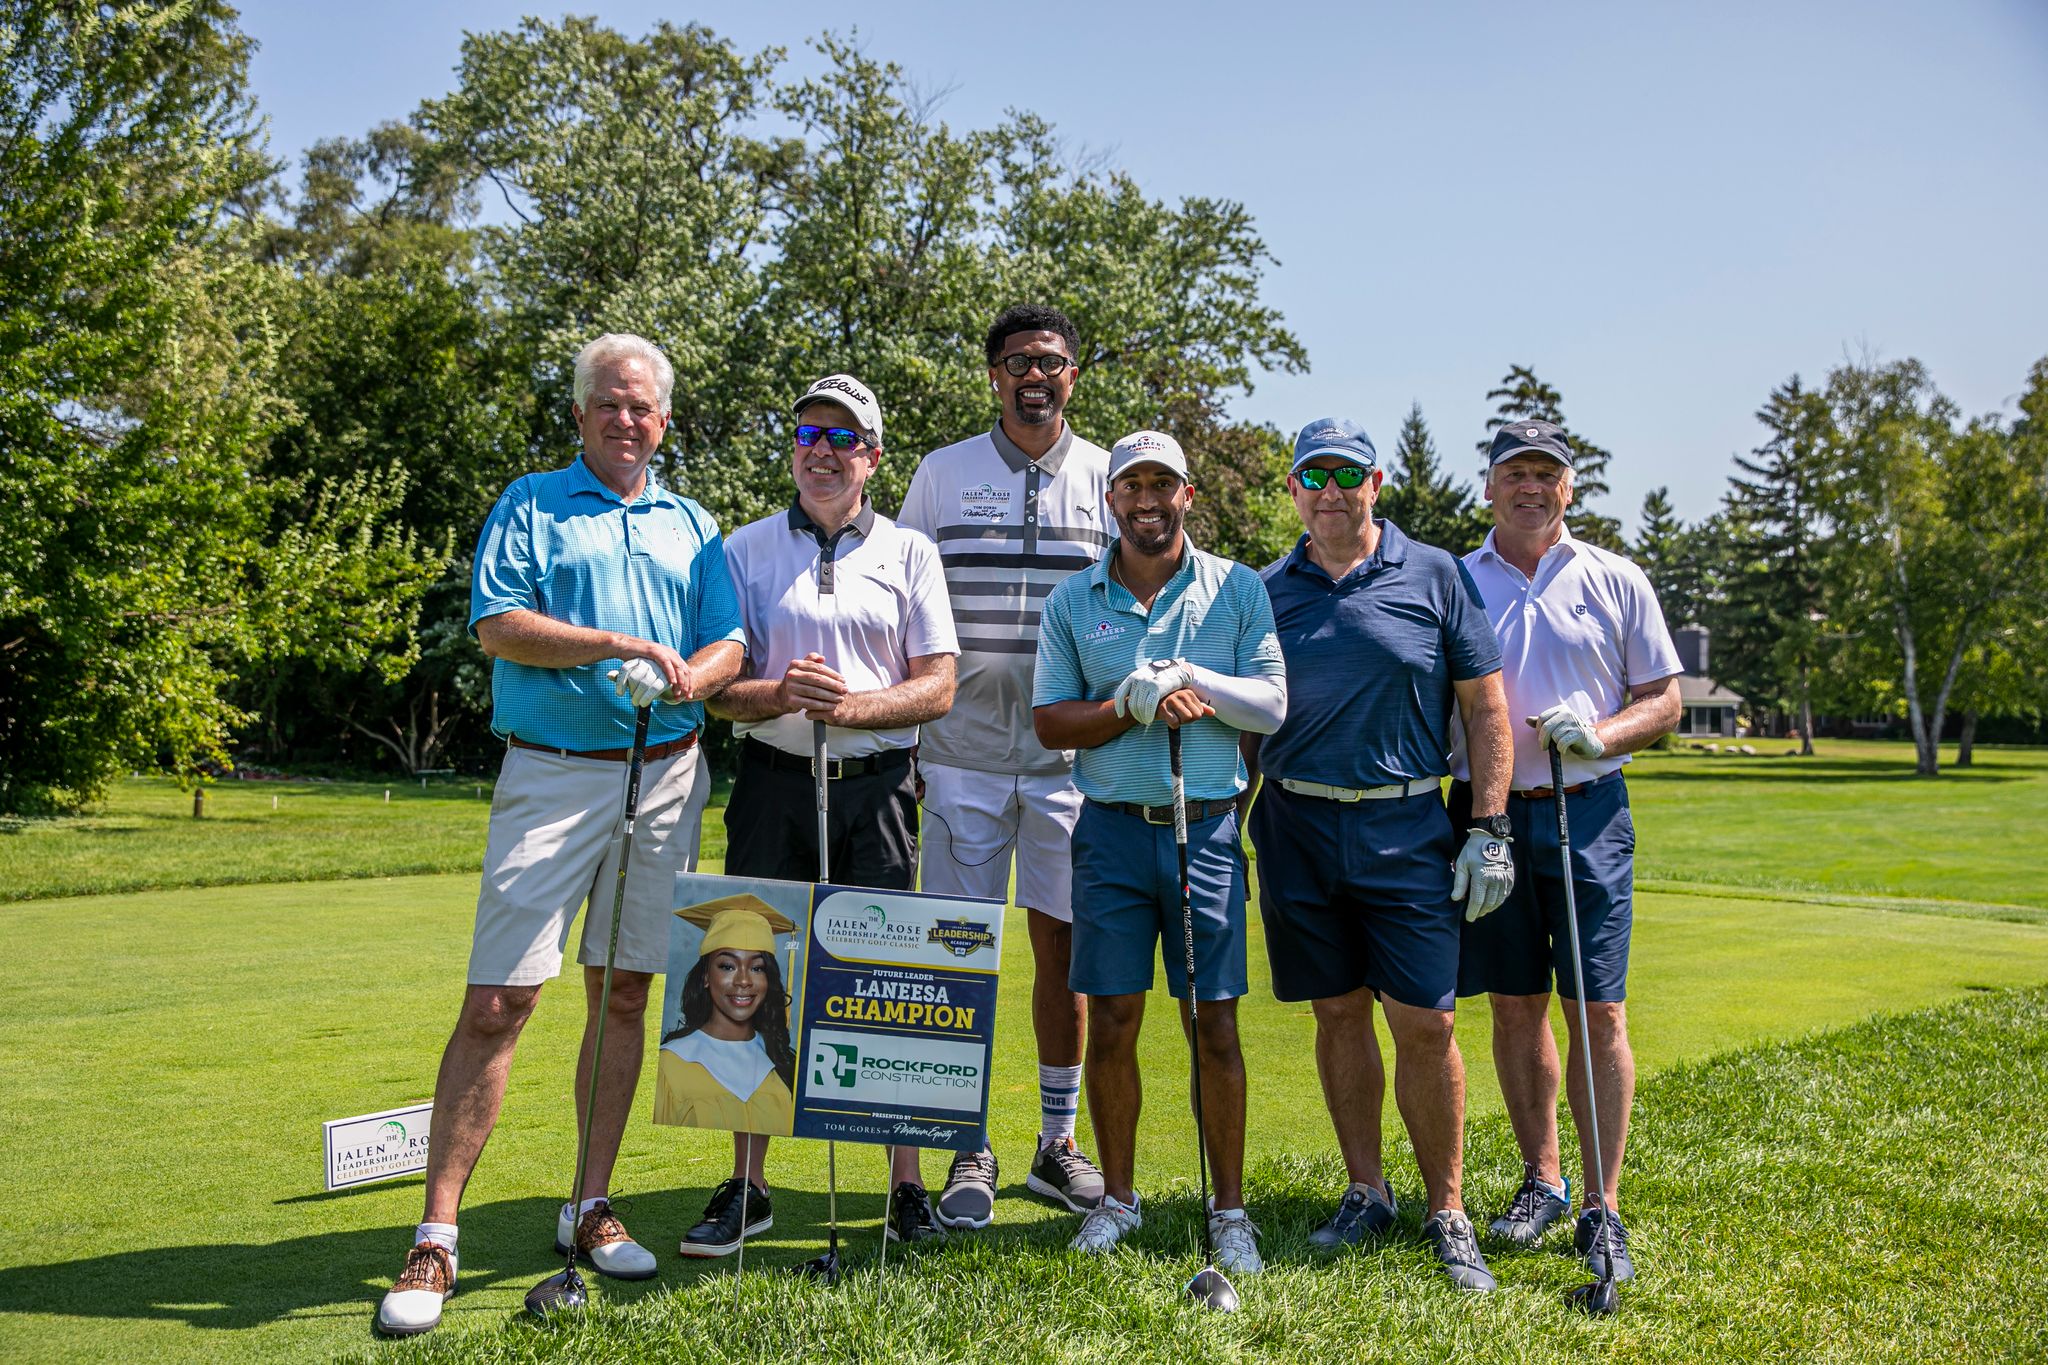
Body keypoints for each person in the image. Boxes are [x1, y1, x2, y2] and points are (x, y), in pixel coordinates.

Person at [376, 333, 746, 1338]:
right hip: (552, 776)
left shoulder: (693, 522)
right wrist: (619, 644)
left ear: (664, 422)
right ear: (580, 413)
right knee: (499, 1001)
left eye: (643, 407)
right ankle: (437, 1234)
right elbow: (498, 623)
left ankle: (588, 1205)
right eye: (608, 404)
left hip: (666, 775)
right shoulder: (532, 503)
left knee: (625, 991)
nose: (626, 420)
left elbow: (727, 639)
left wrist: (690, 678)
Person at [1242, 417, 1514, 1293]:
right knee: (1336, 1012)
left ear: (1376, 482)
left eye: (1346, 474)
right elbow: (1244, 719)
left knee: (1428, 1022)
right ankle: (1368, 1190)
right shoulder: (1261, 589)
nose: (1330, 490)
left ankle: (1449, 1208)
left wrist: (1490, 825)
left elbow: (1485, 708)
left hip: (1407, 828)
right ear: (1292, 489)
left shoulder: (1435, 574)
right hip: (1295, 826)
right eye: (1312, 475)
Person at [692, 372, 960, 1254]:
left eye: (843, 438)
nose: (823, 451)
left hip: (878, 786)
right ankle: (748, 1182)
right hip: (772, 781)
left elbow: (938, 685)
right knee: (750, 972)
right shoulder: (744, 548)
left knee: (888, 984)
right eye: (809, 434)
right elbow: (721, 692)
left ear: (872, 458)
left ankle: (906, 1186)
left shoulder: (911, 552)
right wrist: (780, 693)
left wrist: (853, 707)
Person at [1031, 430, 1287, 1276]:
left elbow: (1272, 705)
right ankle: (1118, 1198)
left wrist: (1199, 685)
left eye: (1163, 484)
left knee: (1213, 1020)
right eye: (1131, 484)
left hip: (1206, 826)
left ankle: (1230, 1211)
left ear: (1187, 494)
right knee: (1111, 1017)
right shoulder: (1074, 601)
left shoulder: (1237, 587)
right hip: (1109, 831)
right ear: (1111, 500)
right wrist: (1127, 705)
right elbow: (1051, 721)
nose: (1147, 498)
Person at [1450, 419, 1682, 1284]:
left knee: (1600, 1010)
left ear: (1569, 488)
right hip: (1490, 814)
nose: (1530, 487)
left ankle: (1601, 1202)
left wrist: (1603, 732)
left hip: (1591, 813)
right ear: (1490, 486)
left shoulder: (1616, 577)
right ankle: (1542, 1180)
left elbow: (1663, 698)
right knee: (1515, 1003)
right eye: (1515, 472)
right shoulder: (1456, 580)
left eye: (1546, 473)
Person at [896, 303, 1112, 1228]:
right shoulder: (941, 475)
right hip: (960, 755)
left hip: (1072, 761)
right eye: (1018, 360)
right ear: (993, 375)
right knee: (960, 953)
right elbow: (901, 594)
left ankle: (1054, 1143)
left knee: (1061, 950)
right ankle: (963, 1145)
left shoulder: (1112, 477)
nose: (1036, 374)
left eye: (1053, 361)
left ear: (1073, 375)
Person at [654, 898, 800, 1135]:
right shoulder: (671, 1065)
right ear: (705, 977)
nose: (743, 980)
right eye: (727, 966)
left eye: (757, 968)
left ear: (768, 979)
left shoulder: (780, 1060)